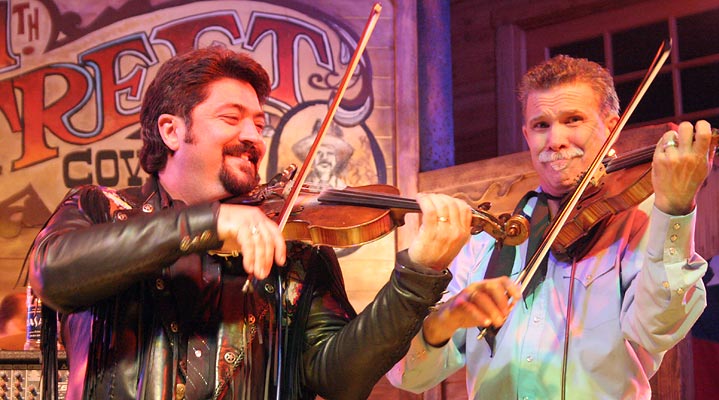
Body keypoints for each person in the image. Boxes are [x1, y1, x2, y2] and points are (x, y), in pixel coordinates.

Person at [29, 46, 473, 400]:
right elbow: (54, 273)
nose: (253, 136)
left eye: (259, 123)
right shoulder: (100, 209)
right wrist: (209, 221)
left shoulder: (294, 248)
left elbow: (338, 380)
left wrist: (417, 277)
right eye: (231, 118)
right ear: (170, 131)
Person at [387, 55, 713, 399]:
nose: (555, 139)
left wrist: (675, 208)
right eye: (541, 125)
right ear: (527, 135)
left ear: (611, 126)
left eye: (573, 120)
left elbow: (658, 329)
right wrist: (445, 320)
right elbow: (408, 376)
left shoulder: (639, 222)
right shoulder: (491, 237)